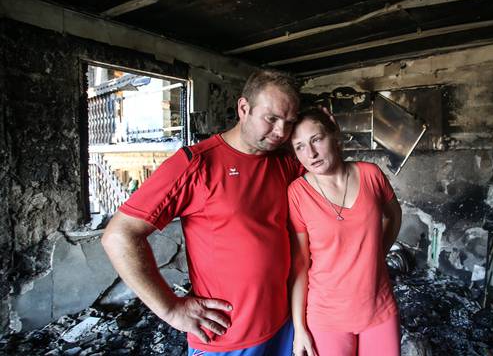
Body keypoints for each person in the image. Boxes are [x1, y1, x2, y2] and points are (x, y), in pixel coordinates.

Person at [101, 69, 303, 356]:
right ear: (243, 108)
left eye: (290, 122)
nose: (281, 132)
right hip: (225, 338)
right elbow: (119, 235)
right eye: (271, 119)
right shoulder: (195, 164)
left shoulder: (285, 164)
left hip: (284, 327)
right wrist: (170, 309)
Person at [287, 108, 403, 356]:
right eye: (299, 147)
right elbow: (300, 265)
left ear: (334, 136)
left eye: (316, 139)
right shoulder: (297, 193)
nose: (311, 154)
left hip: (379, 309)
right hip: (327, 317)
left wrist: (377, 253)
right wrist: (299, 328)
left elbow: (394, 215)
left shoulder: (371, 174)